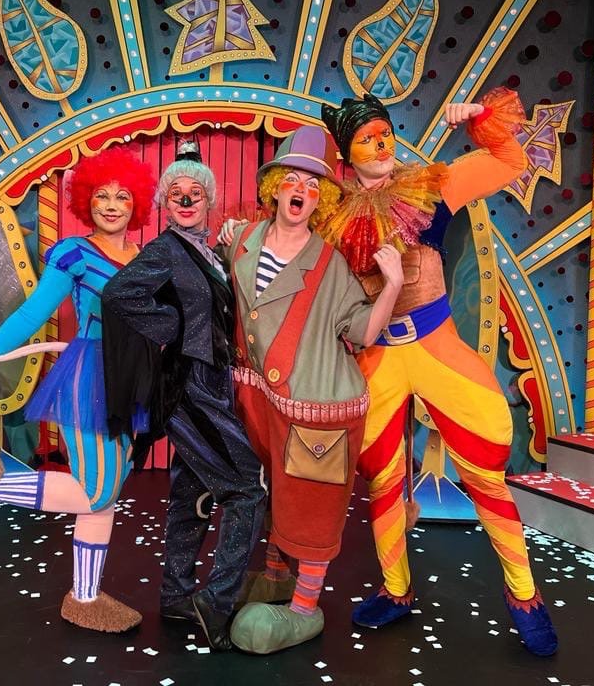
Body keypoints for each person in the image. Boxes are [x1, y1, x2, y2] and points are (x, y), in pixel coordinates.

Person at [318, 89, 558, 656]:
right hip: (377, 357)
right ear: (346, 153)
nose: (381, 146)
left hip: (436, 348)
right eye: (366, 140)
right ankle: (396, 589)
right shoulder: (332, 212)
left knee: (487, 477)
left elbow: (510, 162)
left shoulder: (429, 187)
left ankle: (525, 598)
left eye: (385, 134)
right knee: (382, 480)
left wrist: (481, 119)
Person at [0, 145, 156, 634]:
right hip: (92, 375)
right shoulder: (75, 254)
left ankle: (84, 598)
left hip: (134, 378)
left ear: (137, 204)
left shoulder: (146, 257)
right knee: (95, 492)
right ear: (86, 201)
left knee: (105, 495)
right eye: (102, 195)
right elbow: (31, 313)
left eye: (122, 196)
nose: (111, 205)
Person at [219, 126, 403, 654]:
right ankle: (276, 576)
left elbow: (362, 332)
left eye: (313, 185)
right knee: (274, 488)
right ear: (274, 188)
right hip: (260, 398)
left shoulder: (330, 262)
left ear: (320, 200)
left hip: (318, 405)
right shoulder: (242, 240)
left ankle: (304, 607)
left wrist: (392, 285)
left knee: (311, 502)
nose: (302, 190)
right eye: (293, 180)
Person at [101, 142, 266, 652]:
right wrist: (173, 326)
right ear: (164, 203)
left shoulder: (209, 252)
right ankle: (214, 602)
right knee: (246, 488)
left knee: (190, 491)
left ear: (209, 200)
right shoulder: (165, 249)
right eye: (177, 193)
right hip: (189, 385)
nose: (188, 199)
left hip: (212, 380)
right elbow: (118, 294)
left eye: (196, 192)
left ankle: (175, 595)